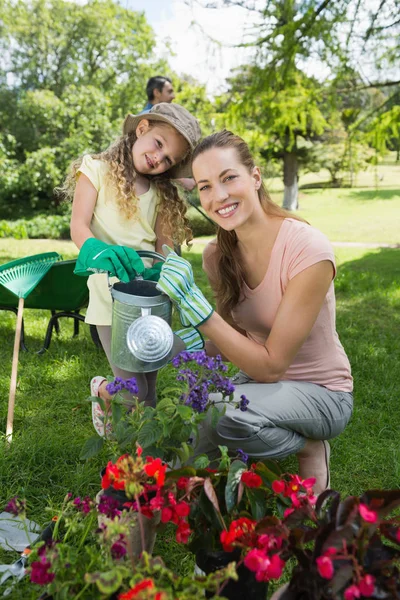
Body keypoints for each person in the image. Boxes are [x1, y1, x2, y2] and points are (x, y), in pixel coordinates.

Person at [156, 130, 353, 494]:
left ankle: (309, 444)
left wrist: (198, 311)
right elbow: (228, 335)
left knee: (223, 413)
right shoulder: (217, 255)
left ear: (255, 177)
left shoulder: (308, 249)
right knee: (193, 412)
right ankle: (200, 500)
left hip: (322, 392)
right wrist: (167, 343)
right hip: (263, 387)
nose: (219, 196)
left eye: (229, 178)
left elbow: (272, 364)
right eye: (205, 186)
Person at [60, 103, 201, 435]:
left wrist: (162, 271)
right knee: (133, 390)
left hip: (149, 300)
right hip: (110, 296)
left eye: (168, 159)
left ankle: (147, 462)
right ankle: (106, 392)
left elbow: (164, 250)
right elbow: (79, 227)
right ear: (142, 129)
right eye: (158, 144)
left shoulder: (162, 192)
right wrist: (99, 250)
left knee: (148, 391)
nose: (159, 159)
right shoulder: (94, 168)